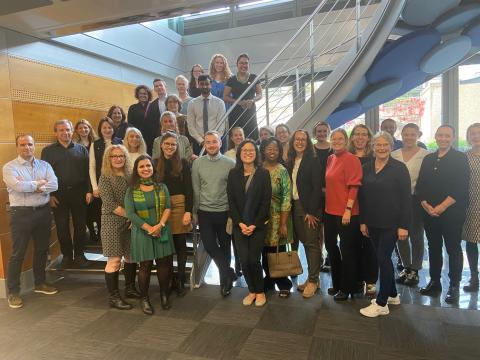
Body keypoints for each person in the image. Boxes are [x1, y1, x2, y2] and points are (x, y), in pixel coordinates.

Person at [358, 132, 412, 317]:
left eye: (385, 145)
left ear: (391, 146)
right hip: (372, 223)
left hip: (391, 223)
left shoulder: (399, 168)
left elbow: (406, 199)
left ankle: (382, 303)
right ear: (373, 147)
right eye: (378, 145)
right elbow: (362, 198)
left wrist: (404, 225)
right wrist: (363, 221)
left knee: (383, 258)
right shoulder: (366, 168)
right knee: (383, 258)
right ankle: (393, 295)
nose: (381, 148)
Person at [3, 135, 59, 309]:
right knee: (18, 253)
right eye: (22, 145)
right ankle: (13, 292)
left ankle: (40, 283)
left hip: (43, 212)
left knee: (42, 249)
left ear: (34, 146)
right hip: (21, 214)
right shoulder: (9, 167)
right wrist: (40, 184)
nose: (26, 147)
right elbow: (17, 187)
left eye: (29, 144)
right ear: (17, 147)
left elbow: (55, 185)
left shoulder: (45, 165)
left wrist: (31, 185)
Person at [417, 125, 469, 303]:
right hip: (429, 212)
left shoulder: (460, 158)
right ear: (435, 137)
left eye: (447, 136)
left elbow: (461, 188)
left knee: (453, 249)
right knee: (433, 247)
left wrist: (441, 207)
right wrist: (425, 204)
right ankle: (435, 282)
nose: (443, 138)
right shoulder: (429, 158)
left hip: (451, 212)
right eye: (440, 135)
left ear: (453, 138)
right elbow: (420, 184)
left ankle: (454, 285)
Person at [124, 155, 174, 314]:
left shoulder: (161, 187)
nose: (145, 169)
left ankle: (164, 295)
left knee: (164, 265)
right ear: (136, 170)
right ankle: (144, 298)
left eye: (148, 166)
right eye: (141, 167)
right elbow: (131, 214)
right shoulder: (131, 190)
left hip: (162, 229)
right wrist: (149, 228)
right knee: (144, 266)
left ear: (153, 168)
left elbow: (167, 207)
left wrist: (160, 225)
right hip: (142, 232)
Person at [42, 120, 92, 268]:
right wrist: (49, 195)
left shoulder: (81, 149)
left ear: (72, 131)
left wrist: (89, 190)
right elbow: (44, 175)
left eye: (68, 129)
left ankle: (79, 255)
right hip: (58, 195)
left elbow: (88, 172)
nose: (65, 132)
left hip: (79, 193)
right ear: (55, 132)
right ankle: (67, 256)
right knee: (62, 226)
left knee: (80, 226)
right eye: (61, 130)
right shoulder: (48, 151)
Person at [227, 139, 271, 306]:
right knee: (243, 260)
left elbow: (266, 202)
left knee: (254, 259)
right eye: (244, 150)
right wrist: (240, 223)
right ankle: (251, 290)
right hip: (240, 225)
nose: (248, 152)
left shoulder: (263, 174)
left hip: (257, 226)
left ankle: (260, 292)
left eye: (251, 150)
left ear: (256, 153)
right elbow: (231, 201)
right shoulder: (233, 174)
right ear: (239, 153)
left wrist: (254, 224)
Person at [192, 131, 236, 297]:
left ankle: (225, 282)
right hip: (205, 212)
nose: (211, 145)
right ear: (204, 144)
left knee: (225, 247)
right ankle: (228, 271)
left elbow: (232, 191)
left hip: (224, 212)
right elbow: (196, 189)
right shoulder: (198, 164)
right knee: (210, 246)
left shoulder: (230, 163)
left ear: (220, 143)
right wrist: (194, 211)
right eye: (208, 142)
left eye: (214, 142)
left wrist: (232, 214)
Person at [99, 144, 140, 310]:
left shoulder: (131, 176)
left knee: (131, 257)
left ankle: (129, 289)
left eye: (121, 156)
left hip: (129, 222)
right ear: (108, 159)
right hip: (112, 222)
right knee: (114, 260)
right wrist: (134, 217)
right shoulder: (105, 178)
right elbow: (110, 204)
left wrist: (133, 218)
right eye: (114, 156)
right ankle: (114, 297)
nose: (118, 159)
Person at [324, 128, 363, 301]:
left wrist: (347, 210)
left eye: (340, 139)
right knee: (331, 247)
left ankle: (348, 288)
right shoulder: (330, 158)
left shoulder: (352, 159)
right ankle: (338, 283)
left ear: (346, 141)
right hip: (329, 212)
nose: (337, 141)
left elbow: (354, 186)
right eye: (334, 138)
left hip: (347, 213)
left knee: (347, 251)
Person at [286, 129, 323, 298]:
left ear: (308, 143)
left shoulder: (313, 160)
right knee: (305, 243)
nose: (300, 142)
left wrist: (311, 211)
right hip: (294, 206)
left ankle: (314, 281)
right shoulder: (292, 160)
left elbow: (317, 189)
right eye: (297, 139)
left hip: (308, 208)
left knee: (312, 244)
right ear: (293, 141)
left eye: (303, 139)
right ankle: (312, 278)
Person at [391, 123, 429, 286]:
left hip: (415, 200)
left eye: (412, 134)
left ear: (418, 135)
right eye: (406, 134)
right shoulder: (394, 154)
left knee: (416, 235)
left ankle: (415, 269)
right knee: (400, 235)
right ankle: (406, 267)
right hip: (396, 200)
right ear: (402, 135)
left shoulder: (426, 155)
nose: (409, 137)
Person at [156, 132, 193, 297]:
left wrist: (188, 211)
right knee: (167, 245)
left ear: (177, 147)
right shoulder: (155, 163)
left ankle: (180, 281)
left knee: (180, 245)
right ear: (161, 145)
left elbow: (189, 189)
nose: (170, 147)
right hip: (162, 206)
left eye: (173, 144)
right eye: (167, 144)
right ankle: (169, 280)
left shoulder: (184, 163)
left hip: (179, 205)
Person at [260, 137, 294, 298]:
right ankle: (268, 278)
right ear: (263, 150)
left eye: (275, 149)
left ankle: (283, 282)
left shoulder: (282, 170)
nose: (272, 151)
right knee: (264, 251)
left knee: (276, 251)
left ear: (279, 151)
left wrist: (283, 224)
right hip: (259, 217)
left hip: (277, 217)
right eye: (269, 148)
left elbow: (287, 198)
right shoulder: (258, 168)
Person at [349, 124, 377, 296]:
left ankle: (371, 281)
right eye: (357, 134)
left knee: (370, 246)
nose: (360, 137)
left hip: (370, 208)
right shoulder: (346, 157)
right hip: (350, 209)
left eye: (363, 134)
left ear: (369, 138)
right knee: (352, 245)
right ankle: (357, 279)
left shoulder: (375, 157)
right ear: (352, 137)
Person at [89, 117, 123, 243]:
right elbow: (91, 167)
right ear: (100, 129)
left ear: (113, 128)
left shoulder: (120, 142)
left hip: (117, 184)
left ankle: (118, 239)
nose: (107, 130)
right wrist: (94, 187)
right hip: (101, 184)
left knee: (117, 211)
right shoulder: (95, 144)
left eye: (109, 127)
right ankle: (106, 241)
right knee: (103, 214)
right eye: (104, 127)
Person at [224, 54, 262, 141]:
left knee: (252, 136)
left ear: (249, 65)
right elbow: (225, 97)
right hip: (236, 112)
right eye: (241, 63)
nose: (244, 65)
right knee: (236, 137)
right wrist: (238, 102)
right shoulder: (231, 79)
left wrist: (252, 100)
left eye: (246, 63)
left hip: (250, 111)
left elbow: (260, 94)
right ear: (237, 64)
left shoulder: (254, 77)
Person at [187, 74, 226, 155]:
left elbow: (221, 125)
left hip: (215, 143)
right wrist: (201, 141)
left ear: (211, 85)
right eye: (202, 84)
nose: (204, 86)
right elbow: (191, 126)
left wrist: (213, 140)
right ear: (198, 85)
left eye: (207, 84)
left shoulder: (219, 103)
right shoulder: (192, 103)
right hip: (198, 143)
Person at [73, 119, 98, 242]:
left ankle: (99, 231)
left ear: (90, 128)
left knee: (97, 208)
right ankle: (92, 233)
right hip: (82, 181)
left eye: (86, 127)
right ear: (77, 131)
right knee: (87, 209)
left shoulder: (96, 143)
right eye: (80, 128)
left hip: (95, 179)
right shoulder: (74, 145)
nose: (83, 130)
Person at [313, 121, 332, 273]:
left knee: (329, 228)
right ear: (315, 133)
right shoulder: (311, 150)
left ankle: (329, 257)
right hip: (316, 193)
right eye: (319, 131)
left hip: (332, 194)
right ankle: (318, 257)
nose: (321, 133)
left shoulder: (334, 148)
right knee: (318, 228)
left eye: (324, 131)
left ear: (328, 131)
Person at [463, 123, 480, 292]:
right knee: (471, 241)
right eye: (472, 134)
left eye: (479, 133)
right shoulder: (464, 157)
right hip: (471, 204)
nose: (476, 136)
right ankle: (474, 277)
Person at [127, 85, 153, 154]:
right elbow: (130, 124)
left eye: (145, 93)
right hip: (137, 138)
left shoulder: (153, 106)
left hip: (151, 138)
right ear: (137, 95)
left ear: (148, 95)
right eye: (140, 93)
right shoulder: (132, 108)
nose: (142, 95)